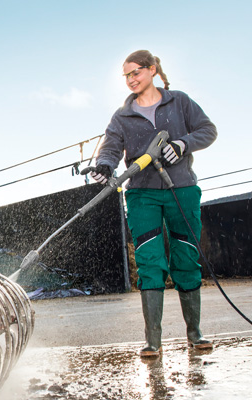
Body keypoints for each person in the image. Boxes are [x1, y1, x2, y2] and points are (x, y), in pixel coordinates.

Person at [91, 50, 217, 357]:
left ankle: (194, 333)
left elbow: (207, 131)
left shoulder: (180, 102)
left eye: (136, 73)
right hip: (142, 194)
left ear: (152, 70)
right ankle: (153, 340)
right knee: (149, 262)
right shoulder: (122, 116)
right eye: (127, 76)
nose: (131, 80)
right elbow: (109, 147)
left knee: (186, 259)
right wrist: (105, 166)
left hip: (182, 190)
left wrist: (182, 143)